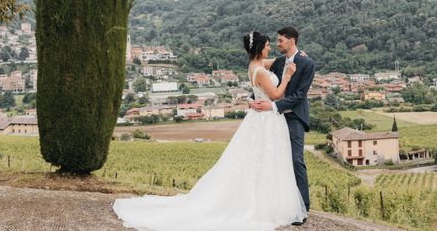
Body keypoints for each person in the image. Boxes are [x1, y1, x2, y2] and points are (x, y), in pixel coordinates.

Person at [112, 31, 308, 231]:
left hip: (261, 119)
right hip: (266, 118)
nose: (270, 47)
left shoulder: (256, 65)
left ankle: (265, 200)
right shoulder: (259, 70)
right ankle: (261, 204)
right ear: (259, 48)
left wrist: (295, 55)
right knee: (263, 160)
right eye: (267, 45)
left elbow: (277, 61)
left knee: (259, 160)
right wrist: (287, 76)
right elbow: (275, 94)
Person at [249, 26, 315, 224]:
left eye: (280, 41)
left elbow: (299, 95)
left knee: (296, 160)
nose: (277, 44)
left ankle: (303, 207)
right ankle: (279, 203)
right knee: (275, 161)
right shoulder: (277, 62)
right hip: (275, 119)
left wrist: (274, 106)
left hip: (293, 116)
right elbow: (259, 80)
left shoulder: (307, 63)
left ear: (291, 41)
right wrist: (249, 99)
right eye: (275, 42)